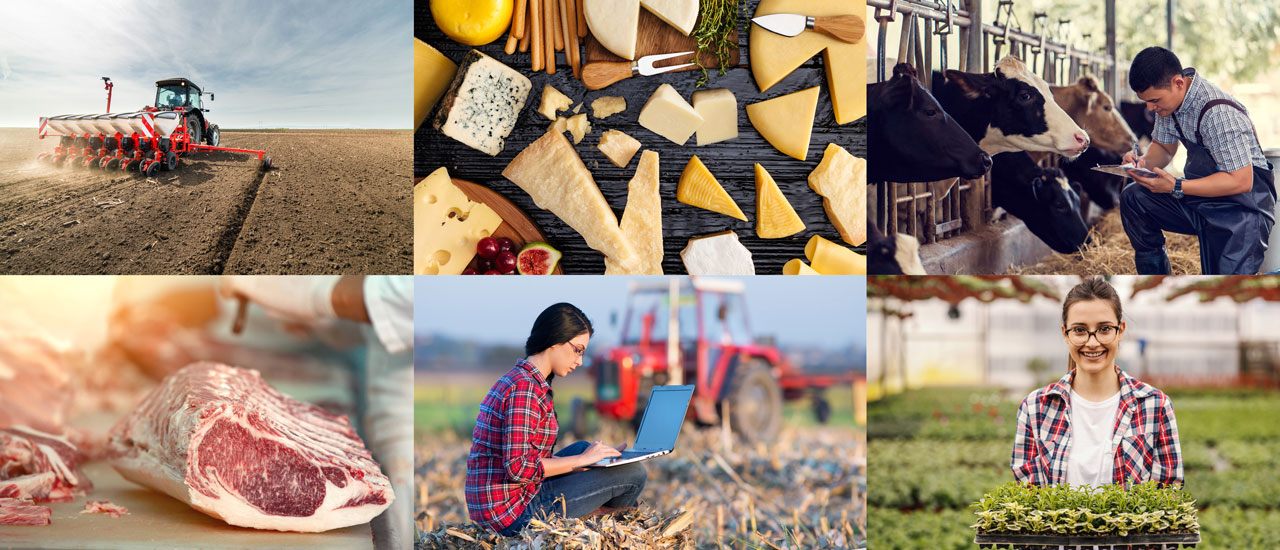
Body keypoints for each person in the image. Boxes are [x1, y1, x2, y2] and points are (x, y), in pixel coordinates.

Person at [220, 275, 413, 550]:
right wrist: (319, 317)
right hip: (388, 426)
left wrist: (318, 293)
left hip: (405, 435)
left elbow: (408, 299)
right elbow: (380, 327)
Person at [465, 303, 647, 536]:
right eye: (578, 350)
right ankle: (604, 529)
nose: (580, 361)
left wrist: (591, 459)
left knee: (588, 450)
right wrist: (582, 461)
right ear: (555, 340)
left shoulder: (524, 380)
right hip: (511, 514)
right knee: (633, 474)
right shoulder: (525, 389)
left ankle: (596, 521)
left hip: (511, 500)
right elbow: (518, 469)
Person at [1011, 277, 1183, 487]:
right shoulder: (1035, 407)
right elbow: (1028, 496)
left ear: (1120, 331)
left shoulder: (1155, 405)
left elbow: (1168, 491)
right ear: (1065, 334)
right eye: (1080, 330)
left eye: (1104, 329)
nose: (1092, 343)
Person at [1120, 46, 1276, 275]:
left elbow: (1241, 181)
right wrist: (1141, 163)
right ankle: (1156, 281)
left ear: (1178, 83)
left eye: (1154, 100)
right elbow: (1164, 147)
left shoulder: (1218, 113)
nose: (1150, 108)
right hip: (1203, 199)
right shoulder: (1169, 105)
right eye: (1146, 102)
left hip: (1242, 209)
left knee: (1225, 292)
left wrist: (1176, 185)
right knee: (1134, 197)